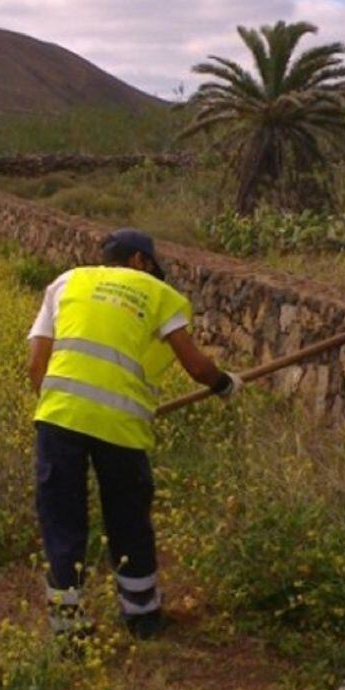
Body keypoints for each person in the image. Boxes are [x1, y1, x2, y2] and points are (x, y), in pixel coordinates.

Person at [27, 228, 242, 640]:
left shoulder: (68, 281)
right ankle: (142, 618)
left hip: (58, 420)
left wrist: (56, 406)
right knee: (128, 521)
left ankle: (67, 628)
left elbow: (38, 359)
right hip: (121, 428)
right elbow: (196, 366)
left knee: (62, 522)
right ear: (141, 261)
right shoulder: (158, 294)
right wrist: (225, 385)